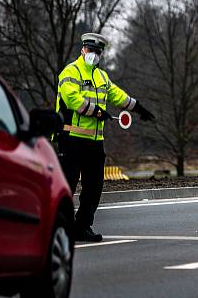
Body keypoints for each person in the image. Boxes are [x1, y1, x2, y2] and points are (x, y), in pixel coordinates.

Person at [56, 33, 155, 242]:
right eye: (91, 50)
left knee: (94, 187)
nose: (94, 55)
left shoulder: (101, 77)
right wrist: (98, 112)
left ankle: (82, 227)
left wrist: (137, 107)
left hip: (94, 142)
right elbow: (73, 100)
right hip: (71, 138)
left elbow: (116, 95)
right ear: (83, 49)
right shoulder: (70, 72)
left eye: (97, 52)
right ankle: (60, 227)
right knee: (67, 186)